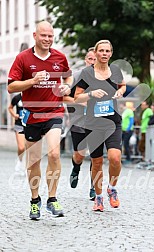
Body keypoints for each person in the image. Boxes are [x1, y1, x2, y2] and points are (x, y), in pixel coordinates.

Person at [8, 20, 72, 220]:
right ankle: (35, 200)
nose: (47, 39)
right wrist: (33, 81)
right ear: (35, 36)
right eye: (43, 35)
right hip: (32, 115)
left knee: (54, 154)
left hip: (54, 112)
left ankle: (52, 199)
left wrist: (67, 87)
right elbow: (11, 87)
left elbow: (68, 76)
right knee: (33, 161)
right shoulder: (23, 58)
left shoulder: (59, 57)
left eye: (50, 36)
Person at [74, 40, 126, 212]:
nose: (104, 53)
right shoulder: (86, 73)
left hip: (112, 122)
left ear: (111, 53)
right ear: (95, 53)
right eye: (101, 50)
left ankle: (112, 188)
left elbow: (123, 85)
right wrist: (90, 94)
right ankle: (98, 197)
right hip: (93, 124)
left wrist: (120, 91)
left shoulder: (116, 71)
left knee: (115, 158)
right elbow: (77, 97)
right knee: (96, 162)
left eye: (107, 51)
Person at [64, 47, 96, 200]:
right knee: (80, 154)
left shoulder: (105, 77)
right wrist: (80, 102)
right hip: (79, 121)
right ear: (86, 60)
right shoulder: (76, 77)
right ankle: (76, 168)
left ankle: (94, 187)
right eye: (90, 59)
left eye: (96, 59)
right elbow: (64, 98)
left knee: (97, 156)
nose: (93, 62)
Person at [8, 93, 25, 174]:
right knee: (21, 147)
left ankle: (27, 165)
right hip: (19, 125)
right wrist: (14, 115)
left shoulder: (33, 96)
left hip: (31, 125)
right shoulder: (17, 97)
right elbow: (10, 107)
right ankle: (20, 161)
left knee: (30, 148)